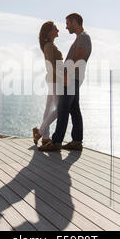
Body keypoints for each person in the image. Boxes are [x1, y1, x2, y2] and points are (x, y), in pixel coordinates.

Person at [39, 13, 92, 152]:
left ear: (75, 22)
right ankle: (76, 141)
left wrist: (67, 74)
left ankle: (56, 142)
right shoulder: (80, 38)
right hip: (73, 77)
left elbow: (80, 57)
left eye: (68, 23)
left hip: (72, 77)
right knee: (74, 109)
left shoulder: (83, 37)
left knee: (62, 109)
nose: (66, 27)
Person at [32, 21, 63, 146]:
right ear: (50, 31)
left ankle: (45, 137)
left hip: (52, 79)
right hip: (55, 80)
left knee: (49, 107)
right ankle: (40, 132)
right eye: (56, 28)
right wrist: (63, 77)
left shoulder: (49, 45)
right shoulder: (49, 46)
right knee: (60, 109)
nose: (58, 30)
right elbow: (51, 65)